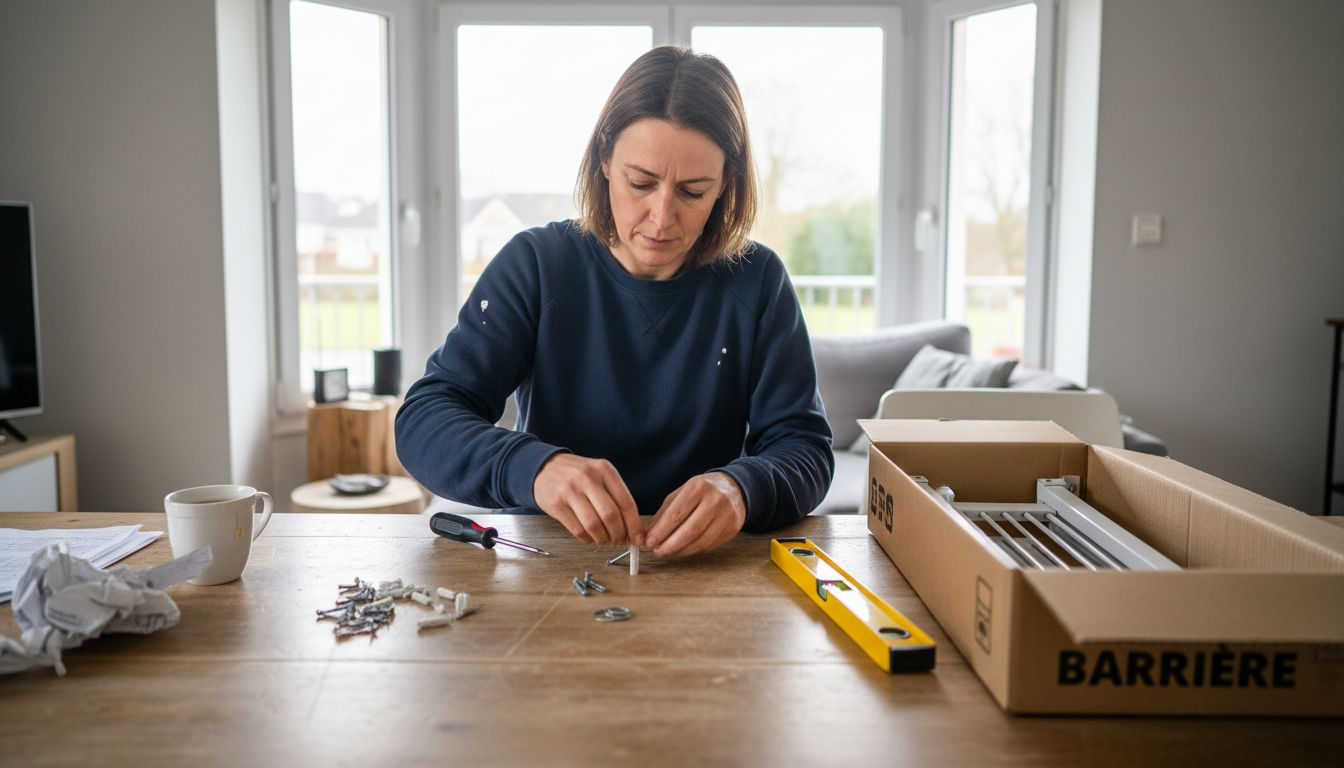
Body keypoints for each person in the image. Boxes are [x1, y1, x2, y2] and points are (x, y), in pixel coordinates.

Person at [396, 45, 833, 557]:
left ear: (727, 183)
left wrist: (743, 488)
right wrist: (532, 467)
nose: (661, 217)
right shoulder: (537, 264)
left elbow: (806, 448)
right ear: (604, 158)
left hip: (703, 566)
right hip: (549, 558)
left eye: (693, 191)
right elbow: (424, 420)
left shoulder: (758, 280)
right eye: (640, 183)